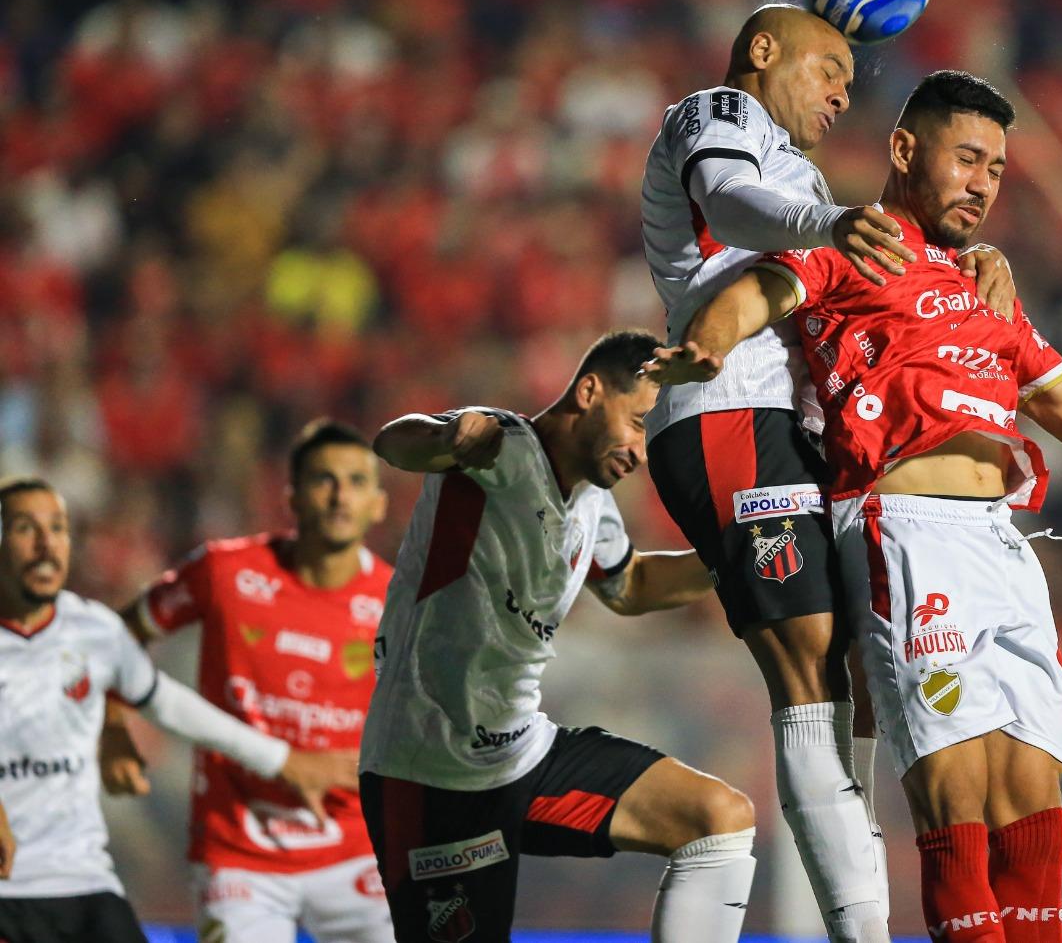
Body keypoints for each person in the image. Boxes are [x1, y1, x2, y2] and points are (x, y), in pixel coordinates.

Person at [647, 69, 1062, 943]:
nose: (982, 184)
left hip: (1002, 543)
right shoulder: (854, 246)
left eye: (997, 169)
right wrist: (705, 343)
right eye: (967, 157)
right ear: (904, 149)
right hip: (905, 533)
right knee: (956, 800)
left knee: (1032, 806)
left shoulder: (986, 289)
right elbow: (758, 293)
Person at [641, 2, 1017, 943]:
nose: (845, 92)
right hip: (731, 413)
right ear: (764, 53)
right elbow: (731, 204)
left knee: (847, 678)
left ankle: (860, 920)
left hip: (795, 431)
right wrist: (826, 219)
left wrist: (968, 256)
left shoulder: (803, 175)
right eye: (829, 69)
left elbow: (848, 272)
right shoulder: (715, 116)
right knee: (807, 677)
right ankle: (861, 933)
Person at [358, 330, 758, 943]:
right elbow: (395, 442)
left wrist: (735, 552)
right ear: (590, 391)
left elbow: (632, 585)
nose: (643, 451)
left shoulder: (593, 501)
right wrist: (445, 435)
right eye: (638, 421)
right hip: (431, 775)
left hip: (523, 755)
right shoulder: (498, 446)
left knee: (717, 818)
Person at [0, 475, 355, 943]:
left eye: (59, 528)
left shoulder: (96, 631)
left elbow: (166, 701)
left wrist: (282, 760)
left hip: (83, 880)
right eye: (26, 528)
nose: (47, 544)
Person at [99, 419, 395, 943]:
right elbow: (115, 638)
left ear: (379, 504)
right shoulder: (225, 573)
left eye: (355, 482)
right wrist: (113, 724)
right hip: (240, 851)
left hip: (356, 848)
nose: (339, 496)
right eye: (323, 480)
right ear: (292, 497)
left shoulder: (399, 602)